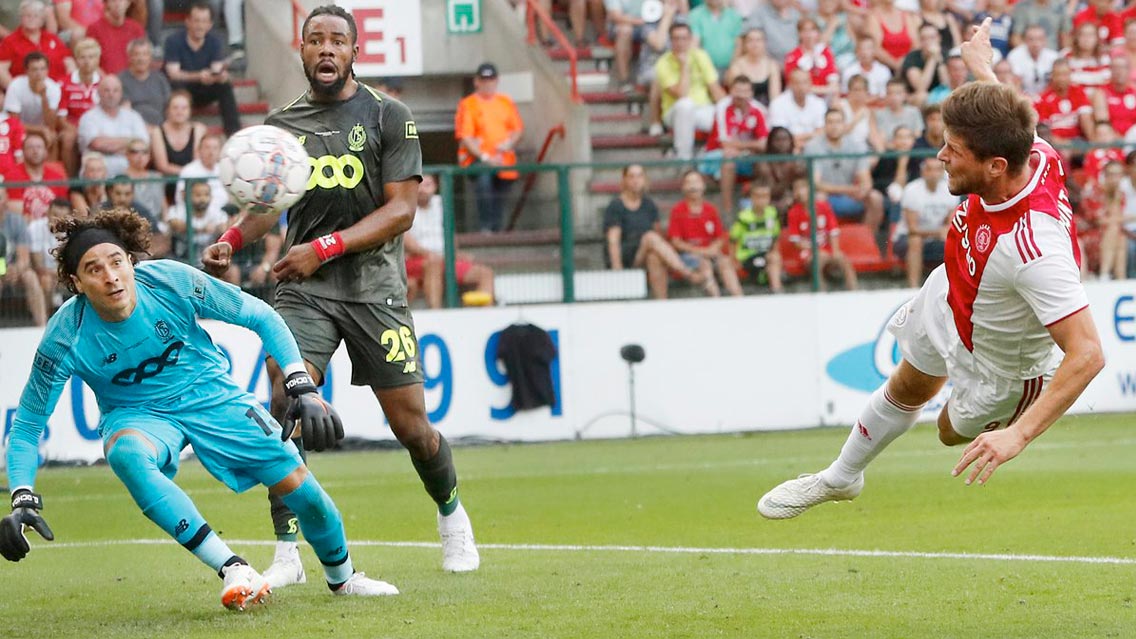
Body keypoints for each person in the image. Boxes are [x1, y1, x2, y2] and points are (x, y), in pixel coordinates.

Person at [757, 19, 1105, 519]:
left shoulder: (1035, 248)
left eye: (953, 151)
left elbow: (1089, 352)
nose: (940, 156)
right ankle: (840, 477)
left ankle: (1014, 411)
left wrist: (1018, 435)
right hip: (953, 291)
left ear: (996, 167)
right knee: (907, 384)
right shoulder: (1032, 149)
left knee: (947, 431)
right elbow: (1011, 117)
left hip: (1003, 360)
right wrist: (980, 65)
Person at [201, 4, 480, 586]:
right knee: (285, 399)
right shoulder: (280, 126)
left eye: (337, 41)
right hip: (304, 291)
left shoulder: (388, 115)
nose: (326, 49)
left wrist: (323, 247)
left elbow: (401, 211)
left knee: (411, 427)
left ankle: (452, 515)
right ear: (301, 52)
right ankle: (287, 552)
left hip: (375, 288)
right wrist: (230, 237)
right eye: (315, 40)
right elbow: (269, 204)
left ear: (355, 52)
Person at [0, 209, 400, 609]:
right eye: (93, 269)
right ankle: (233, 568)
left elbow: (259, 315)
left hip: (212, 396)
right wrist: (21, 495)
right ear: (76, 283)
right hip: (139, 415)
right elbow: (29, 424)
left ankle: (342, 579)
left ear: (131, 262)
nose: (111, 276)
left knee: (307, 497)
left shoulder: (172, 281)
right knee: (125, 453)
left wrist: (300, 383)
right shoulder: (63, 336)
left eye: (117, 261)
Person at [604, 163, 711, 299]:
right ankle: (688, 274)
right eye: (631, 176)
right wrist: (617, 271)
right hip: (627, 257)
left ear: (645, 180)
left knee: (654, 256)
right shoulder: (616, 206)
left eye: (639, 176)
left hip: (645, 254)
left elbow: (659, 235)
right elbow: (613, 241)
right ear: (624, 180)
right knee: (650, 237)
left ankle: (662, 303)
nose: (636, 180)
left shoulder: (649, 205)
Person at [405, 173, 495, 309]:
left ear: (435, 187)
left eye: (427, 185)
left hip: (446, 259)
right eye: (420, 186)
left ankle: (483, 314)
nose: (423, 189)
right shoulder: (404, 206)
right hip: (416, 260)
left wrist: (454, 254)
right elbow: (408, 243)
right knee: (433, 262)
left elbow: (451, 235)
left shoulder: (442, 204)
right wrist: (435, 255)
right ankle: (437, 313)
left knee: (485, 273)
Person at [454, 61, 523, 233]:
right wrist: (486, 158)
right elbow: (466, 137)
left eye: (491, 79)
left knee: (501, 193)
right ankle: (486, 228)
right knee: (484, 182)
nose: (487, 83)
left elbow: (517, 130)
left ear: (497, 80)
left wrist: (507, 144)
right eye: (483, 79)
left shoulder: (505, 101)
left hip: (503, 159)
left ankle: (497, 229)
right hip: (477, 159)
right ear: (476, 81)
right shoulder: (468, 104)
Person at [162, 1, 240, 136]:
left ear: (210, 25)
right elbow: (173, 73)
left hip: (203, 89)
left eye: (204, 21)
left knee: (224, 85)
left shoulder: (214, 42)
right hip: (181, 90)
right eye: (196, 21)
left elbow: (215, 68)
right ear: (187, 22)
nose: (200, 26)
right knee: (176, 84)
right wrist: (199, 76)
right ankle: (181, 132)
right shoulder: (173, 41)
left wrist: (220, 76)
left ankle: (234, 133)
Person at [806, 108, 885, 233]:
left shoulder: (857, 145)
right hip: (826, 195)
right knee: (818, 198)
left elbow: (866, 179)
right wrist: (849, 190)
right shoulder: (813, 146)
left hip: (849, 194)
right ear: (824, 125)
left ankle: (866, 240)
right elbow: (816, 184)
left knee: (875, 198)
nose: (834, 126)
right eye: (830, 122)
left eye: (838, 122)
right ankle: (822, 246)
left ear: (844, 125)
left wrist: (863, 190)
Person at [666, 169, 742, 297]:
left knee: (725, 262)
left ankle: (739, 298)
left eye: (696, 182)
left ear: (703, 185)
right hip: (688, 256)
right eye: (689, 182)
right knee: (704, 265)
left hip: (710, 253)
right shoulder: (677, 210)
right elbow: (676, 242)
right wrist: (700, 251)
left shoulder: (711, 209)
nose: (693, 186)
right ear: (683, 187)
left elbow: (720, 238)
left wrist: (713, 249)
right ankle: (715, 300)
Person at [700, 74, 767, 215]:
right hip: (716, 154)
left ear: (751, 93)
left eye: (745, 91)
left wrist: (741, 146)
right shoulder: (723, 107)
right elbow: (725, 144)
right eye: (737, 91)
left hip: (745, 156)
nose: (741, 95)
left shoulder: (759, 110)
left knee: (764, 163)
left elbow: (763, 144)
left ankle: (759, 208)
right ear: (730, 91)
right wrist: (751, 146)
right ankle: (727, 211)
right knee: (729, 159)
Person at [655, 21, 724, 160]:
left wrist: (726, 108)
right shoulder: (663, 63)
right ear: (671, 40)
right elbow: (682, 94)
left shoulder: (701, 56)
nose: (680, 42)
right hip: (674, 113)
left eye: (684, 38)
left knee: (724, 118)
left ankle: (709, 154)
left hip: (703, 109)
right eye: (676, 38)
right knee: (685, 105)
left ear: (690, 39)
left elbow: (715, 88)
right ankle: (683, 157)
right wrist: (684, 65)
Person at [784, 176, 858, 291]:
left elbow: (833, 231)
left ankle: (854, 290)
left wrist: (835, 250)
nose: (800, 192)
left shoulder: (824, 206)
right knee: (819, 259)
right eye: (796, 189)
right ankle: (820, 291)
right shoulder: (793, 212)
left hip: (826, 248)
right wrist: (815, 249)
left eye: (803, 188)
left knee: (842, 259)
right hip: (807, 253)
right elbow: (796, 242)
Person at [893, 157, 957, 287]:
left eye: (937, 170)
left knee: (955, 241)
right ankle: (913, 286)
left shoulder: (949, 190)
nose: (933, 174)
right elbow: (912, 229)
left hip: (936, 238)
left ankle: (954, 287)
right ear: (923, 172)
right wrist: (939, 232)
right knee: (915, 240)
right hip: (905, 238)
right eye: (929, 170)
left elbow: (950, 222)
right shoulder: (912, 190)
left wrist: (944, 232)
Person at [76, 72, 146, 176]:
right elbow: (97, 144)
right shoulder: (88, 117)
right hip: (97, 174)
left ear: (121, 93)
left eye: (115, 90)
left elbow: (143, 144)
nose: (111, 94)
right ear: (98, 93)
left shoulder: (133, 117)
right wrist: (130, 143)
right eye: (106, 90)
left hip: (130, 173)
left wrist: (108, 145)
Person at [0, 0, 74, 88]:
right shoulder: (10, 41)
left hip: (57, 89)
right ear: (21, 18)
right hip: (26, 91)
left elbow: (69, 63)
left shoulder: (52, 39)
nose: (31, 19)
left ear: (42, 20)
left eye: (36, 16)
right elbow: (1, 69)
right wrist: (16, 90)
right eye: (27, 16)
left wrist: (66, 86)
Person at [729, 179, 783, 292]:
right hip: (747, 257)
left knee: (774, 257)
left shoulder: (772, 214)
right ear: (752, 198)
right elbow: (733, 240)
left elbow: (776, 237)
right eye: (758, 196)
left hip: (765, 255)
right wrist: (734, 260)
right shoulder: (743, 217)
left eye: (765, 196)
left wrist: (775, 252)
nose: (762, 200)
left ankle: (777, 292)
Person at [3, 51, 60, 156]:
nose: (39, 73)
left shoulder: (54, 88)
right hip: (18, 128)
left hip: (43, 129)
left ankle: (50, 169)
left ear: (47, 70)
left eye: (43, 69)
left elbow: (51, 125)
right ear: (27, 71)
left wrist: (44, 98)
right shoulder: (16, 86)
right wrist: (40, 130)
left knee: (53, 137)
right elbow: (14, 122)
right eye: (34, 69)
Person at [152, 90, 206, 198]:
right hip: (169, 182)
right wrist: (187, 173)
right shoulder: (157, 132)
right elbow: (162, 166)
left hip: (194, 182)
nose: (179, 111)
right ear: (168, 110)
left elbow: (198, 161)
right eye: (175, 108)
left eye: (184, 108)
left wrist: (188, 175)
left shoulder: (199, 129)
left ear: (190, 111)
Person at [0, 199, 47, 324]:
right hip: (2, 270)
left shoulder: (16, 221)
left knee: (30, 277)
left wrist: (16, 269)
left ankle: (41, 328)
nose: (2, 202)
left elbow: (24, 258)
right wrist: (2, 271)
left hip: (13, 269)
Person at [4, 131, 66, 219]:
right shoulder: (12, 177)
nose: (35, 151)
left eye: (39, 147)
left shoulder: (57, 178)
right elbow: (15, 214)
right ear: (23, 151)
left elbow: (64, 211)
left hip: (53, 228)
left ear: (46, 152)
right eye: (30, 147)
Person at [172, 131, 226, 222]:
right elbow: (181, 198)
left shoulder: (225, 170)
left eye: (215, 148)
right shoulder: (188, 171)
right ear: (199, 150)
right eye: (207, 148)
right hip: (195, 217)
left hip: (222, 215)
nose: (211, 152)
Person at [118, 37, 169, 126]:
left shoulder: (160, 79)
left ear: (150, 58)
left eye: (145, 54)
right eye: (136, 54)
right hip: (133, 129)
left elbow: (169, 107)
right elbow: (124, 113)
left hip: (160, 128)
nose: (141, 58)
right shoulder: (120, 80)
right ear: (129, 57)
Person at [725, 28, 781, 107]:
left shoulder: (771, 65)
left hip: (767, 109)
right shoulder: (737, 66)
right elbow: (736, 95)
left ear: (764, 43)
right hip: (743, 108)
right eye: (750, 40)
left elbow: (775, 97)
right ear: (745, 44)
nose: (755, 44)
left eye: (758, 40)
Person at [85, 0, 142, 74]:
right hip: (105, 81)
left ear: (128, 3)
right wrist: (106, 80)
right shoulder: (94, 29)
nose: (118, 4)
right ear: (107, 4)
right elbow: (90, 61)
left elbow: (142, 59)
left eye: (121, 1)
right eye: (113, 1)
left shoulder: (136, 29)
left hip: (131, 80)